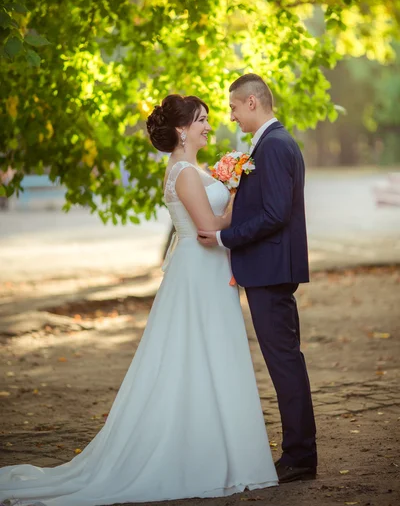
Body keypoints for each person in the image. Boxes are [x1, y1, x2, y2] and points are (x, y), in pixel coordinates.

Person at [0, 94, 278, 505]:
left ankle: (219, 450)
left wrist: (231, 185)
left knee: (211, 354)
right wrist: (237, 192)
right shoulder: (184, 172)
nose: (207, 125)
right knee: (199, 354)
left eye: (206, 118)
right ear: (182, 130)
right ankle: (203, 456)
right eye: (201, 120)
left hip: (209, 272)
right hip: (198, 272)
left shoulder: (191, 169)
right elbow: (208, 227)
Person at [198, 74, 318, 483]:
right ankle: (299, 452)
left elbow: (275, 214)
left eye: (233, 107)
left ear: (252, 102)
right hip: (267, 270)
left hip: (271, 271)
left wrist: (224, 237)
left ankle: (300, 456)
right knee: (285, 361)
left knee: (284, 363)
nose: (231, 115)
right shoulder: (267, 145)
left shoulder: (276, 146)